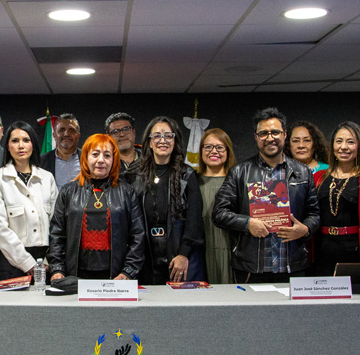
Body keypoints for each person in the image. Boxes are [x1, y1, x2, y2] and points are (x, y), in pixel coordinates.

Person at [213, 108, 319, 283]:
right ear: (256, 137)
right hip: (251, 269)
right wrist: (248, 223)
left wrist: (305, 229)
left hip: (292, 266)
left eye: (275, 132)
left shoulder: (303, 172)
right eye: (263, 133)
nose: (270, 138)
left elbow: (314, 214)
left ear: (284, 135)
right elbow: (219, 214)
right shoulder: (240, 172)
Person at [47, 134, 146, 281]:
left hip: (116, 276)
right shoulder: (68, 191)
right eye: (95, 154)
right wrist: (57, 269)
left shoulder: (127, 192)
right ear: (85, 157)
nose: (101, 160)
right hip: (75, 275)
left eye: (107, 155)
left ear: (113, 160)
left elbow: (138, 235)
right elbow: (57, 235)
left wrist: (127, 272)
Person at [127, 117, 204, 284]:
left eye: (168, 136)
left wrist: (184, 253)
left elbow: (194, 220)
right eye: (157, 136)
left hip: (177, 253)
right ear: (149, 142)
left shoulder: (187, 175)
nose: (163, 141)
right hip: (145, 255)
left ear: (175, 141)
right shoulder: (134, 174)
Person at [0, 121, 58, 281]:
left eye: (26, 140)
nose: (21, 146)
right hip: (10, 261)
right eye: (15, 141)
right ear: (8, 146)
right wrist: (27, 263)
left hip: (45, 262)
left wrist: (47, 261)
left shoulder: (47, 178)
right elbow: (0, 228)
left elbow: (57, 225)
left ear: (33, 144)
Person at [313, 122, 360, 275]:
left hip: (353, 252)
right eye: (339, 141)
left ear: (359, 146)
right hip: (322, 251)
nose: (343, 147)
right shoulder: (318, 177)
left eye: (350, 142)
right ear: (332, 145)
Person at [196, 127, 237, 284]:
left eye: (220, 147)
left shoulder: (237, 181)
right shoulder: (191, 181)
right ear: (201, 151)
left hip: (229, 248)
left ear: (228, 151)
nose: (214, 151)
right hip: (200, 251)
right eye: (208, 147)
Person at [41, 113, 82, 184]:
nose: (66, 134)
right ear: (54, 135)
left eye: (71, 130)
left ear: (78, 135)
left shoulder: (88, 158)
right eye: (62, 130)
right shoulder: (41, 161)